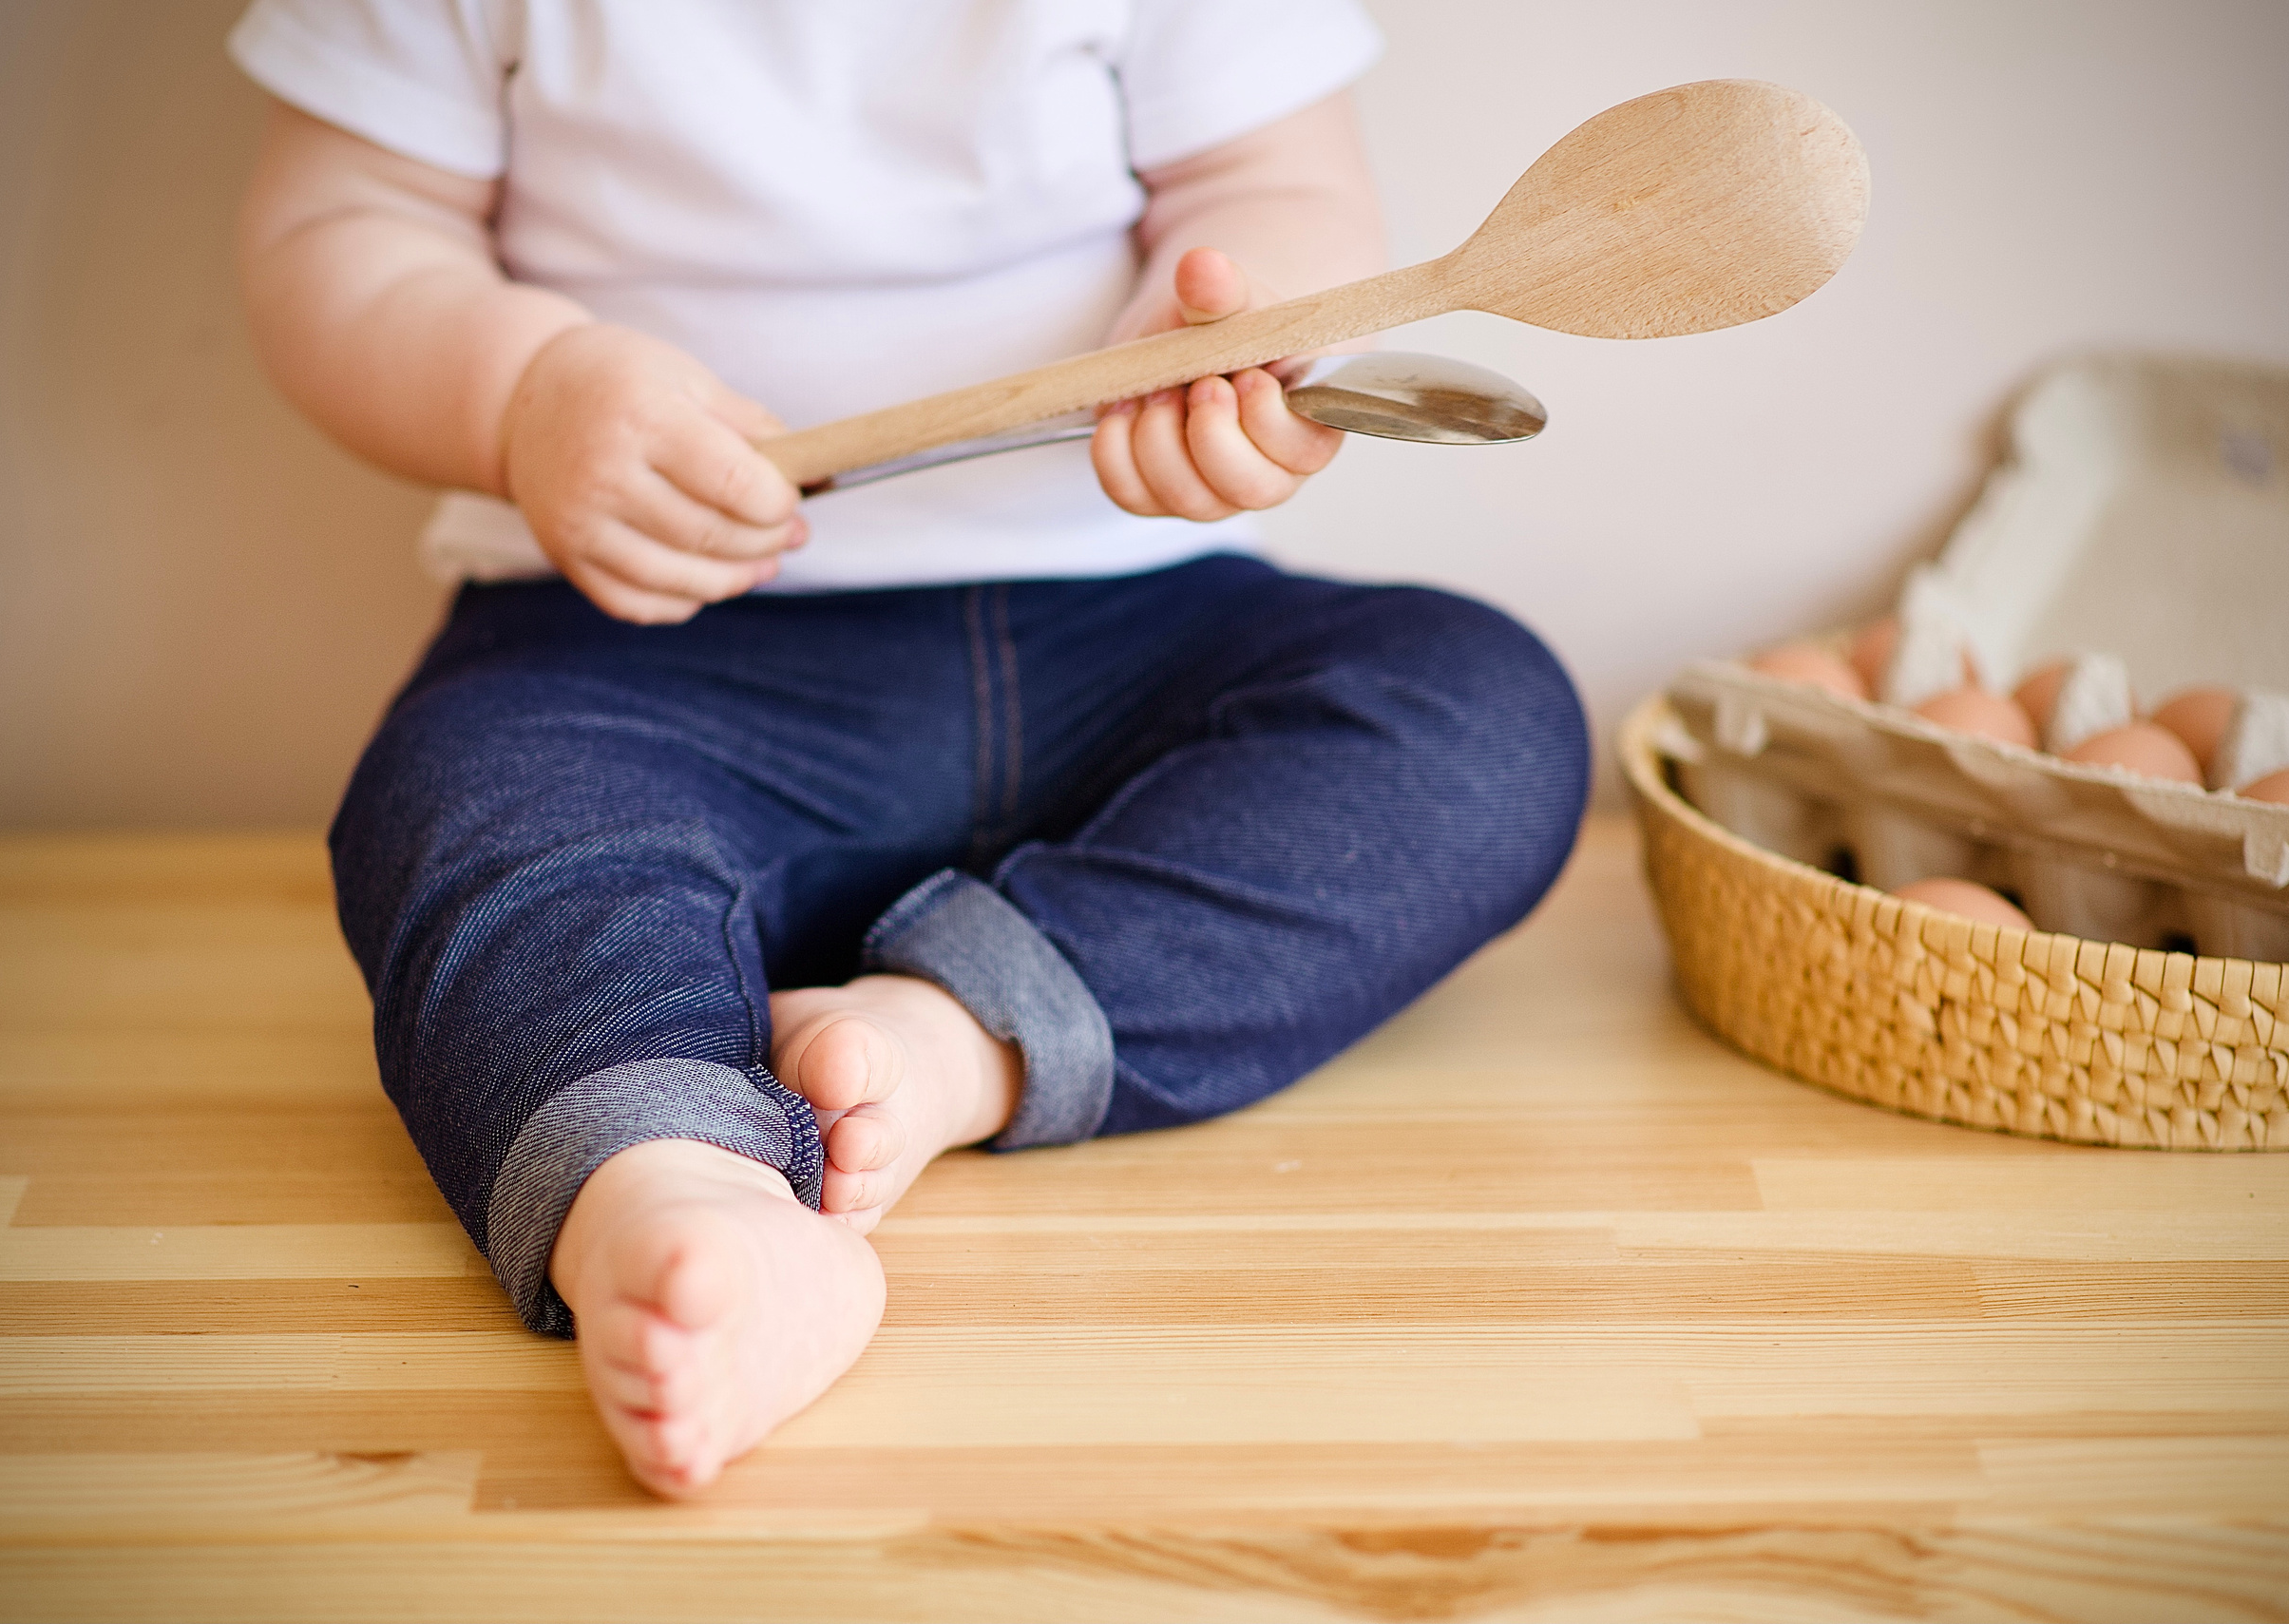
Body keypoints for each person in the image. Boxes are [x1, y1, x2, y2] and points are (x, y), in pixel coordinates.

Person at [231, 0, 1589, 1497]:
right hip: (638, 655)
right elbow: (343, 240)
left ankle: (951, 1039)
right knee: (462, 792)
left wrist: (1244, 327)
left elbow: (1278, 180)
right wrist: (522, 394)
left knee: (1482, 712)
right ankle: (677, 1182)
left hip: (1128, 635)